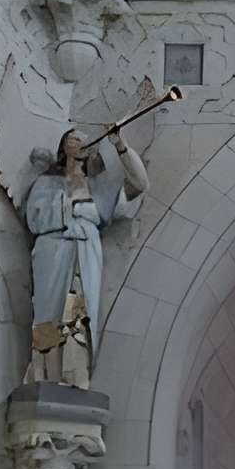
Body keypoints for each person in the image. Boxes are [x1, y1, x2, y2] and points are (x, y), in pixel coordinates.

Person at [19, 119, 148, 390]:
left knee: (80, 309)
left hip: (85, 251)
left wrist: (120, 144)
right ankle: (45, 374)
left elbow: (139, 183)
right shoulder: (45, 183)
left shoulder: (98, 187)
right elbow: (35, 218)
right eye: (73, 138)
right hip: (53, 249)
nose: (78, 142)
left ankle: (76, 376)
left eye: (83, 139)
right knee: (48, 311)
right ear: (64, 146)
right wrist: (70, 209)